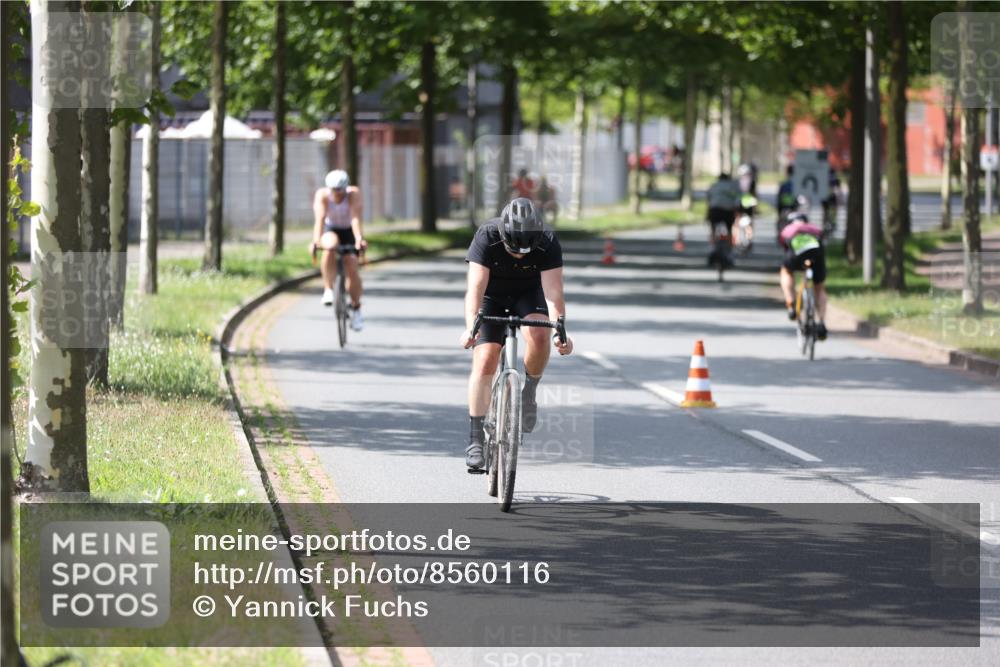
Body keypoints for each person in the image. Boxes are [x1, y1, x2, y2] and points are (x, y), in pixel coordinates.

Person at [460, 198, 573, 470]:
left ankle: (529, 392)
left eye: (526, 250)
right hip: (491, 296)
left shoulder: (547, 241)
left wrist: (560, 330)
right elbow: (475, 289)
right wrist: (470, 327)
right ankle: (475, 439)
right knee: (485, 360)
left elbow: (553, 293)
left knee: (539, 335)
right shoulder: (487, 236)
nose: (520, 255)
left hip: (529, 294)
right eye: (514, 249)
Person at [311, 169, 367, 330]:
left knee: (352, 266)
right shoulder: (322, 195)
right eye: (334, 191)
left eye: (340, 191)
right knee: (329, 247)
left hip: (349, 230)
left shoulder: (353, 194)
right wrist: (316, 240)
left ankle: (356, 308)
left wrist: (359, 239)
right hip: (331, 229)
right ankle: (328, 288)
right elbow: (320, 219)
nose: (337, 194)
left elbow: (355, 218)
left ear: (345, 188)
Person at [779, 211, 828, 341]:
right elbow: (823, 240)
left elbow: (784, 246)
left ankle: (791, 305)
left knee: (786, 271)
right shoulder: (813, 228)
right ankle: (822, 322)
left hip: (797, 251)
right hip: (816, 251)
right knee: (819, 287)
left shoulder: (788, 229)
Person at [705, 172, 741, 263]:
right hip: (728, 210)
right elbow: (738, 200)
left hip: (715, 210)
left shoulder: (714, 186)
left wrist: (707, 215)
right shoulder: (733, 186)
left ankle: (712, 247)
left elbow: (709, 200)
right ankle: (729, 252)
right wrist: (737, 212)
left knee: (713, 229)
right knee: (729, 230)